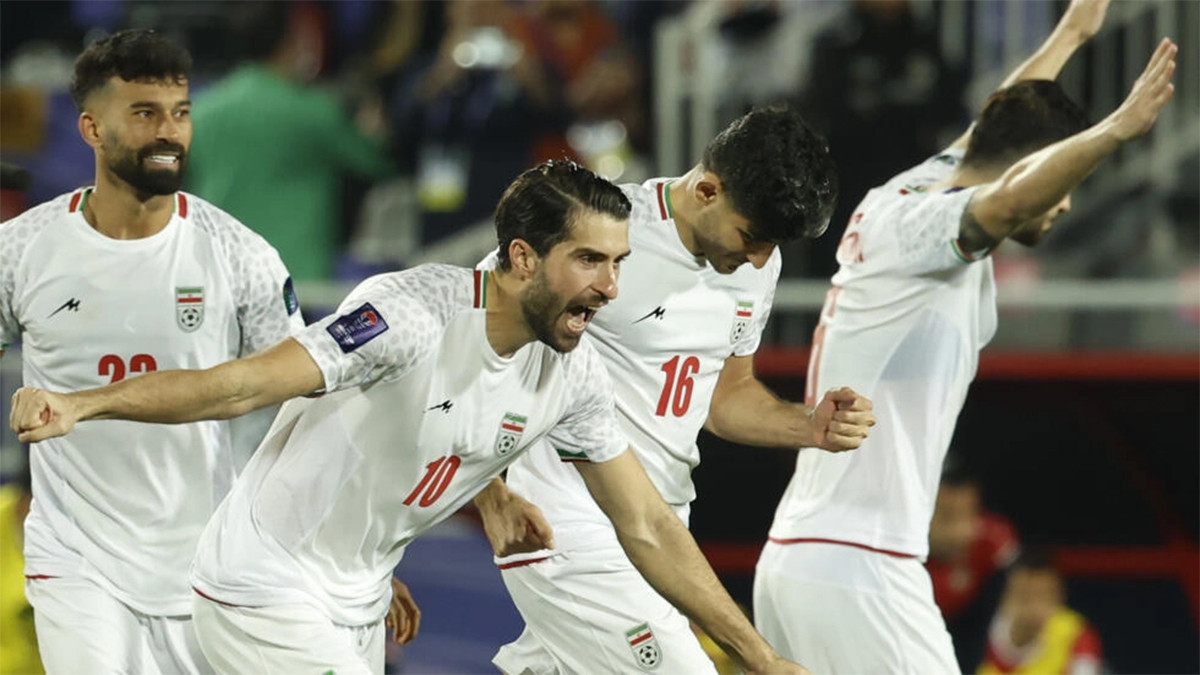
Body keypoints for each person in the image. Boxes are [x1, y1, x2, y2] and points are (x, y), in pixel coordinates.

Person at [11, 160, 809, 675]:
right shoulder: (408, 316)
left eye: (619, 264)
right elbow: (242, 385)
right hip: (261, 589)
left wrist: (760, 657)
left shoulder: (573, 369)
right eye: (590, 261)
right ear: (523, 258)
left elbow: (646, 523)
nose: (609, 286)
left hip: (354, 598)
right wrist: (86, 402)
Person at [754, 0, 1177, 670]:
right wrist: (1116, 131)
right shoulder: (926, 225)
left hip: (814, 557)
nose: (1064, 201)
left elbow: (1000, 123)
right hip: (860, 566)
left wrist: (1069, 34)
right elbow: (1009, 197)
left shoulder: (912, 188)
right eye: (1063, 179)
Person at [471, 105, 876, 674]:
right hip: (571, 522)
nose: (758, 259)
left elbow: (726, 397)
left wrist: (806, 426)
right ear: (708, 190)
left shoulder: (757, 264)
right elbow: (465, 345)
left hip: (660, 533)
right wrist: (489, 494)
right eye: (753, 237)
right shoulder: (597, 231)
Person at [0, 29, 330, 673]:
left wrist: (332, 546)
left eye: (180, 114)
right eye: (145, 113)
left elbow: (307, 399)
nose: (169, 132)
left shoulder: (240, 255)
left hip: (202, 560)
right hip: (75, 559)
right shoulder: (21, 251)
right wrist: (17, 477)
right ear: (92, 128)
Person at [187, 1, 393, 282]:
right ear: (292, 40)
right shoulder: (315, 112)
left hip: (222, 274)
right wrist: (376, 131)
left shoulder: (201, 113)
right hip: (296, 280)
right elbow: (377, 163)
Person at [927, 461, 1021, 669]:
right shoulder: (902, 554)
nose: (959, 531)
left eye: (968, 515)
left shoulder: (995, 542)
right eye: (946, 517)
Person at [978, 549, 1103, 675]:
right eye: (1024, 596)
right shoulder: (987, 627)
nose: (1033, 608)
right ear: (1006, 596)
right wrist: (1022, 634)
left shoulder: (1077, 634)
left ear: (1059, 596)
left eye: (1042, 596)